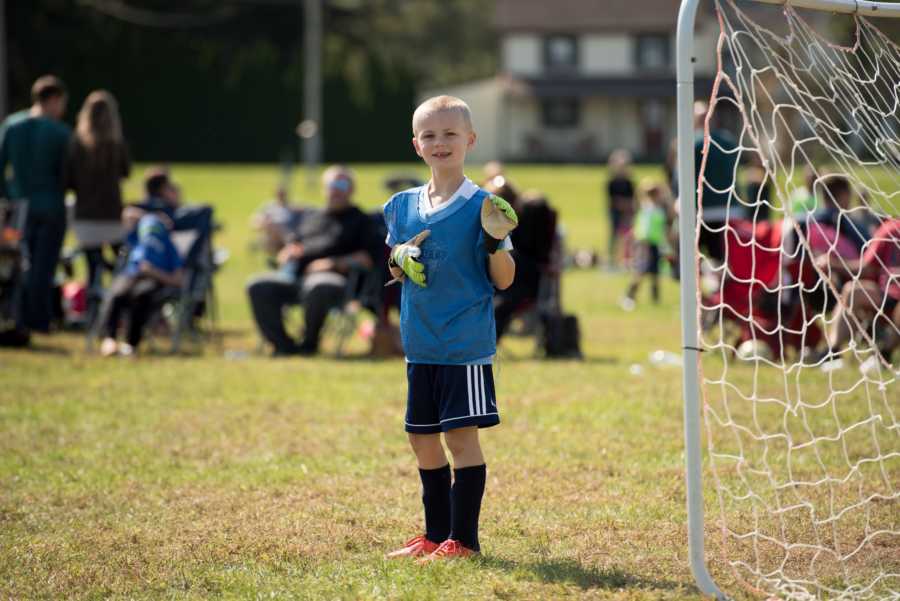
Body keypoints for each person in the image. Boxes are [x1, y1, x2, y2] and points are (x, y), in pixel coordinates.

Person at [383, 96, 516, 562]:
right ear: (416, 144)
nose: (440, 143)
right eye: (430, 135)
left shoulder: (485, 205)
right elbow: (396, 265)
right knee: (421, 437)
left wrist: (496, 243)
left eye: (450, 134)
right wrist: (398, 260)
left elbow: (504, 279)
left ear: (470, 141)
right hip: (419, 343)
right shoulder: (399, 207)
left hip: (464, 344)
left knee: (460, 437)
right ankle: (435, 535)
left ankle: (465, 542)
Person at [246, 165, 379, 356]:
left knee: (319, 284)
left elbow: (367, 259)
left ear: (351, 189)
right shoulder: (312, 217)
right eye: (332, 184)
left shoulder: (361, 220)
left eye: (342, 184)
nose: (336, 189)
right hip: (296, 279)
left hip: (336, 283)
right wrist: (287, 250)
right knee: (257, 285)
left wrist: (331, 264)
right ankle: (284, 346)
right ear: (324, 188)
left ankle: (309, 344)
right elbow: (294, 243)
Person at [0, 75, 72, 333]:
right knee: (44, 265)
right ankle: (38, 319)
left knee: (17, 265)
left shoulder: (12, 126)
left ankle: (16, 315)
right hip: (51, 206)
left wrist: (9, 195)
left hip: (18, 208)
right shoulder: (60, 132)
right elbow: (67, 175)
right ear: (53, 100)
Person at [65, 90, 131, 292]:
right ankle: (115, 303)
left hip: (86, 216)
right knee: (122, 261)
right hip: (112, 214)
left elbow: (67, 180)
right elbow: (126, 171)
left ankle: (95, 308)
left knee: (93, 267)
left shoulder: (77, 145)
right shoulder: (116, 144)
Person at [98, 214, 184, 357]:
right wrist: (148, 215)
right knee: (117, 293)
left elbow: (179, 280)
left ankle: (131, 344)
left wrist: (154, 272)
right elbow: (127, 214)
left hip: (154, 279)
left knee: (141, 296)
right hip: (131, 274)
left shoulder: (169, 247)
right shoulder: (135, 238)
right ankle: (109, 339)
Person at [818, 217, 900, 358]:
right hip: (888, 294)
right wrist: (833, 264)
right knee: (852, 291)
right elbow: (866, 266)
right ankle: (832, 353)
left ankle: (883, 355)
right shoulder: (891, 229)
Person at [693, 100, 740, 263]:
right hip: (730, 209)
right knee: (722, 260)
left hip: (705, 210)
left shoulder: (693, 143)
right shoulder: (729, 140)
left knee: (697, 258)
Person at [621, 180, 672, 310]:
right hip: (644, 243)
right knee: (640, 270)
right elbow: (637, 196)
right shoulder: (645, 206)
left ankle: (655, 300)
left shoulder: (661, 208)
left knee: (655, 272)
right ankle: (629, 296)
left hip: (655, 243)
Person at [251, 185, 307, 257]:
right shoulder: (269, 207)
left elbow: (307, 212)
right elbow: (254, 222)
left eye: (282, 194)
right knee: (270, 226)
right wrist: (262, 222)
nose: (281, 196)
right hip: (271, 237)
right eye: (279, 194)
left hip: (288, 236)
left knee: (276, 227)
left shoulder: (292, 207)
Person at [605, 149, 635, 269]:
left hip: (627, 212)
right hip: (615, 212)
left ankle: (627, 259)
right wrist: (623, 204)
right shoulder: (611, 182)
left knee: (628, 237)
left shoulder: (629, 182)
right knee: (614, 236)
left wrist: (628, 207)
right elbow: (613, 200)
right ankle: (612, 260)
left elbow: (632, 198)